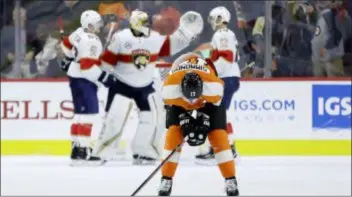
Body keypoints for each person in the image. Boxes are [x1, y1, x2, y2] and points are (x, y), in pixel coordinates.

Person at [96, 9, 204, 165]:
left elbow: (172, 43)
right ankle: (102, 153)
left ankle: (144, 151)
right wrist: (103, 75)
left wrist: (186, 33)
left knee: (152, 119)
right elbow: (107, 62)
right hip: (122, 84)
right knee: (114, 118)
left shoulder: (153, 39)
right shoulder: (121, 37)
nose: (144, 25)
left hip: (145, 86)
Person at [158, 53, 239, 196]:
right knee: (173, 134)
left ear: (203, 88)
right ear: (180, 89)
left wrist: (204, 120)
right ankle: (166, 179)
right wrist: (184, 120)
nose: (191, 102)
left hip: (207, 103)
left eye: (195, 98)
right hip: (179, 103)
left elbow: (214, 108)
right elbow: (171, 110)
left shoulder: (214, 88)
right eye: (188, 98)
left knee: (219, 135)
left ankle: (230, 179)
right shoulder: (169, 90)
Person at [60, 10, 118, 166]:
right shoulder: (92, 40)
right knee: (89, 114)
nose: (100, 25)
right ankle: (84, 150)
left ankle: (76, 147)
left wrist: (71, 57)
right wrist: (104, 78)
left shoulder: (78, 32)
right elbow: (87, 67)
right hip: (85, 79)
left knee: (79, 113)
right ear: (90, 24)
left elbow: (65, 44)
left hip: (74, 77)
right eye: (97, 22)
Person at [194, 6, 241, 165]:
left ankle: (222, 149)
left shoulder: (222, 35)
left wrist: (211, 73)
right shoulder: (227, 34)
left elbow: (227, 57)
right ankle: (228, 147)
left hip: (225, 78)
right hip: (228, 77)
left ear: (220, 18)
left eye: (214, 18)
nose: (212, 22)